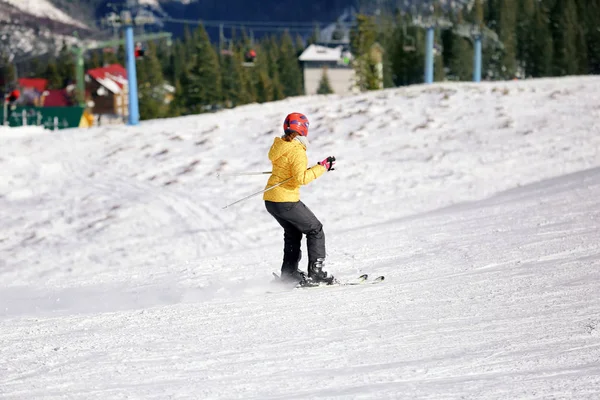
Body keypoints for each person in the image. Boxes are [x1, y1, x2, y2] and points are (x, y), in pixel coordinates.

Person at [264, 112, 336, 285]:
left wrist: (317, 167)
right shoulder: (297, 151)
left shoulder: (280, 146)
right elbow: (301, 179)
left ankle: (289, 274)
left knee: (293, 232)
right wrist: (323, 168)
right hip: (285, 200)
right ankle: (316, 273)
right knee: (315, 229)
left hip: (271, 200)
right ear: (302, 129)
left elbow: (292, 172)